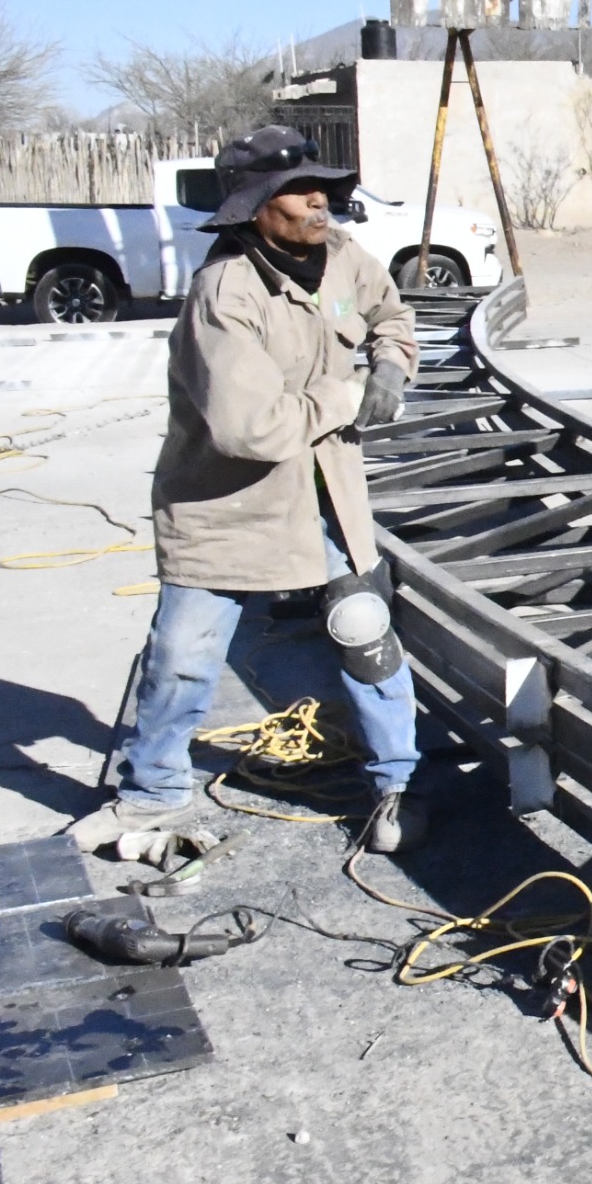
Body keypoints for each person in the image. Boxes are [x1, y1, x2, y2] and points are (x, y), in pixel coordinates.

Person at [67, 126, 425, 866]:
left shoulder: (343, 258)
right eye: (296, 190)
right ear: (253, 209)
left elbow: (391, 314)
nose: (317, 197)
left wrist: (392, 363)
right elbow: (253, 429)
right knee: (185, 654)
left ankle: (396, 785)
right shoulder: (222, 296)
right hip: (226, 505)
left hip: (329, 492)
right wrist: (354, 392)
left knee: (365, 634)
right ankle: (155, 791)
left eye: (319, 183)